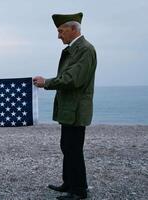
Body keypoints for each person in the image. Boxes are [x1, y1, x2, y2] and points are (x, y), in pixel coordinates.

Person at [33, 12, 97, 200]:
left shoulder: (85, 49)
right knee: (67, 146)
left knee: (74, 148)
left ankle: (79, 191)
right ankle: (69, 183)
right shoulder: (72, 49)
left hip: (77, 109)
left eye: (61, 31)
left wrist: (47, 82)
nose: (59, 35)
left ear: (74, 29)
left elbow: (73, 79)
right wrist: (47, 82)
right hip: (69, 108)